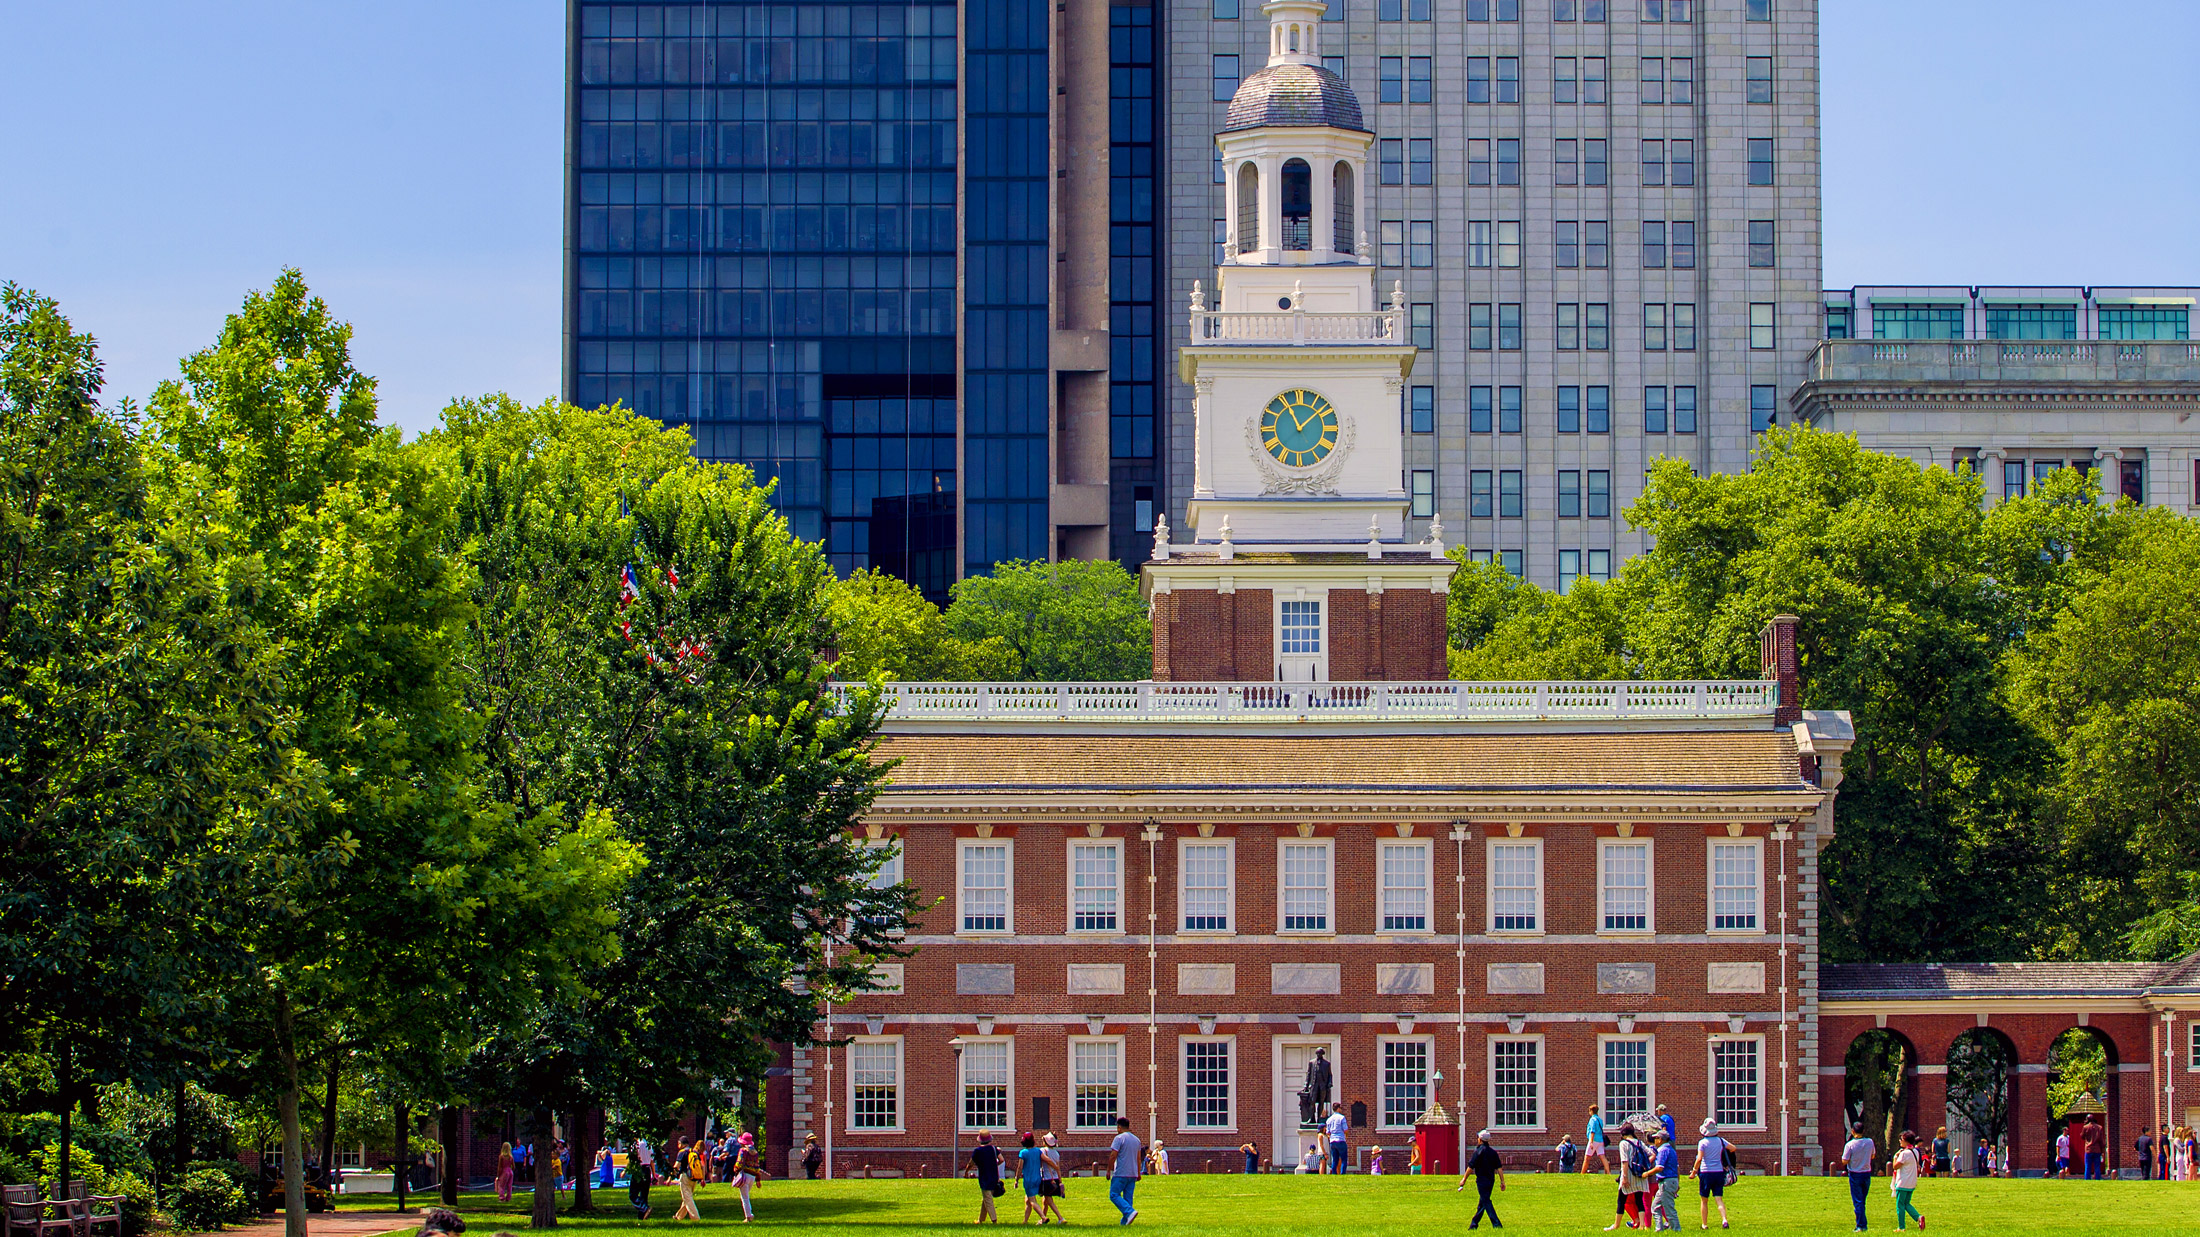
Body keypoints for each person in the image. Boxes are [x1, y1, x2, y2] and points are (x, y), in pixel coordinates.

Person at [1456, 1129, 1504, 1230]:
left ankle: (1497, 1224)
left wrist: (1464, 1179)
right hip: (1491, 1180)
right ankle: (1474, 1224)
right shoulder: (1493, 1152)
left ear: (1480, 1140)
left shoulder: (1478, 1152)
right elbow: (1499, 1168)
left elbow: (1470, 1167)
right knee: (1482, 1203)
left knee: (1486, 1201)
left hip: (1481, 1181)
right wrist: (1502, 1181)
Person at [1607, 1123, 1649, 1232]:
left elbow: (1624, 1161)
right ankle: (1642, 1225)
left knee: (1621, 1200)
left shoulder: (1623, 1143)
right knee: (1639, 1200)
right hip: (1640, 1175)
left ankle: (1616, 1225)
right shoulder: (1640, 1142)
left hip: (1629, 1174)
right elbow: (1652, 1154)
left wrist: (1624, 1177)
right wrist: (1644, 1166)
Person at [1693, 1119, 1732, 1231]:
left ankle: (1704, 1224)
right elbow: (1733, 1148)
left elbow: (1699, 1159)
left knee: (1704, 1200)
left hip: (1706, 1172)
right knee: (1719, 1198)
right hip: (1718, 1172)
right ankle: (1724, 1219)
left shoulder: (1702, 1143)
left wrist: (1694, 1171)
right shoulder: (1720, 1141)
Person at [1107, 1117, 1141, 1226]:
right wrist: (1138, 1172)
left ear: (1119, 1127)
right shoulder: (1136, 1140)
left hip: (1121, 1172)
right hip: (1132, 1173)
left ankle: (1129, 1212)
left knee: (1114, 1194)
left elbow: (1113, 1155)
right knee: (1128, 1198)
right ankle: (1125, 1222)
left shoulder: (1119, 1138)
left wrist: (1108, 1170)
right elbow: (1138, 1158)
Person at [1844, 1122, 1877, 1233]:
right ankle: (1862, 1224)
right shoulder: (1870, 1142)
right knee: (1862, 1200)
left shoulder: (1850, 1145)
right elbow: (1873, 1155)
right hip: (1866, 1173)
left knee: (1858, 1201)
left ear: (1852, 1131)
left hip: (1855, 1173)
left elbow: (1844, 1160)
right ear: (1863, 1131)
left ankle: (1861, 1225)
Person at [1888, 1131, 1923, 1232]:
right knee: (1906, 1203)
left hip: (1902, 1182)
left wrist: (1895, 1157)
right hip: (1911, 1182)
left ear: (1907, 1141)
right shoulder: (1915, 1151)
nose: (1900, 1141)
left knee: (1900, 1205)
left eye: (1901, 1139)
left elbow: (1895, 1166)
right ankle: (1918, 1218)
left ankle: (1901, 1227)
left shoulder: (1904, 1153)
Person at [729, 1132, 765, 1224]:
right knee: (746, 1196)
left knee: (744, 1198)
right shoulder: (755, 1153)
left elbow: (739, 1162)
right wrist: (758, 1179)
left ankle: (749, 1216)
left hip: (744, 1175)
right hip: (752, 1176)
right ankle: (749, 1215)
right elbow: (757, 1166)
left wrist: (735, 1169)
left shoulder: (743, 1151)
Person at [1649, 1130, 1681, 1233]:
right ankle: (1659, 1229)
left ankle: (1676, 1230)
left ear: (1660, 1140)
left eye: (1656, 1138)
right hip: (1671, 1181)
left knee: (1669, 1208)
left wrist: (1646, 1173)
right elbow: (1677, 1168)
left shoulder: (1663, 1150)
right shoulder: (1671, 1150)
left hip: (1666, 1182)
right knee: (1655, 1207)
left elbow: (1659, 1167)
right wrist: (1677, 1183)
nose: (1654, 1140)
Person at [970, 1133, 1003, 1225]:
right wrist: (994, 1165)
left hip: (984, 1178)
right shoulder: (994, 1149)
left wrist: (966, 1171)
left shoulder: (977, 1151)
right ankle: (980, 1220)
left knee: (988, 1199)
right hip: (994, 1177)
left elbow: (971, 1163)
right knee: (986, 1198)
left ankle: (994, 1220)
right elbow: (1001, 1160)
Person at [1018, 1132, 1048, 1225]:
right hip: (1037, 1178)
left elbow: (1020, 1167)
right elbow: (1045, 1159)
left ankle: (1043, 1217)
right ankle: (1025, 1221)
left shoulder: (1023, 1153)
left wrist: (1016, 1179)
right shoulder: (1038, 1151)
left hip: (1029, 1180)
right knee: (1027, 1200)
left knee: (1032, 1201)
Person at [669, 1136, 701, 1222]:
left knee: (688, 1199)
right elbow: (701, 1165)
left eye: (678, 1144)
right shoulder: (695, 1152)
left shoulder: (682, 1152)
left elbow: (676, 1166)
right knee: (687, 1197)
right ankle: (678, 1216)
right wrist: (702, 1179)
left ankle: (696, 1218)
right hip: (694, 1177)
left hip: (685, 1177)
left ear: (681, 1144)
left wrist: (670, 1178)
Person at [1038, 1133, 1067, 1225]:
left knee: (1048, 1199)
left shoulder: (1042, 1151)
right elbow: (1058, 1168)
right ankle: (1043, 1219)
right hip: (1055, 1178)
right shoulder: (1056, 1153)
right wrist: (1060, 1181)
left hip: (1047, 1179)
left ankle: (1060, 1218)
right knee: (1045, 1200)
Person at [629, 1135, 655, 1220]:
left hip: (638, 1169)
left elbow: (632, 1159)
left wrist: (626, 1170)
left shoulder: (635, 1144)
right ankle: (642, 1217)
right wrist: (654, 1175)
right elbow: (651, 1161)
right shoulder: (648, 1145)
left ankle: (644, 1208)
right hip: (647, 1169)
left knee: (633, 1195)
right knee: (644, 1195)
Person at [1324, 1104, 1350, 1175]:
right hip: (1340, 1139)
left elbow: (1328, 1132)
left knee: (1335, 1159)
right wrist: (1346, 1136)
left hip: (1332, 1141)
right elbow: (1345, 1130)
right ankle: (1342, 1173)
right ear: (1338, 1108)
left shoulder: (1329, 1119)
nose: (1341, 1109)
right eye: (1340, 1108)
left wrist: (1330, 1138)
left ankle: (1334, 1173)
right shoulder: (1342, 1118)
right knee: (1344, 1159)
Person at [1584, 1105, 1610, 1175]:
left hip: (1594, 1140)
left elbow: (1592, 1131)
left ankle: (1582, 1173)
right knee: (1602, 1157)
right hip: (1600, 1140)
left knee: (1587, 1157)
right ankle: (1608, 1172)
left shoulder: (1592, 1120)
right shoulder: (1600, 1120)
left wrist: (1591, 1142)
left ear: (1591, 1111)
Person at [2082, 1115, 2105, 1181]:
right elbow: (2101, 1140)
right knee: (2097, 1166)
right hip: (2097, 1149)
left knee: (2087, 1166)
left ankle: (2087, 1179)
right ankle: (2097, 1178)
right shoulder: (2099, 1127)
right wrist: (2102, 1150)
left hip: (2088, 1149)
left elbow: (2082, 1136)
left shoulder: (2085, 1127)